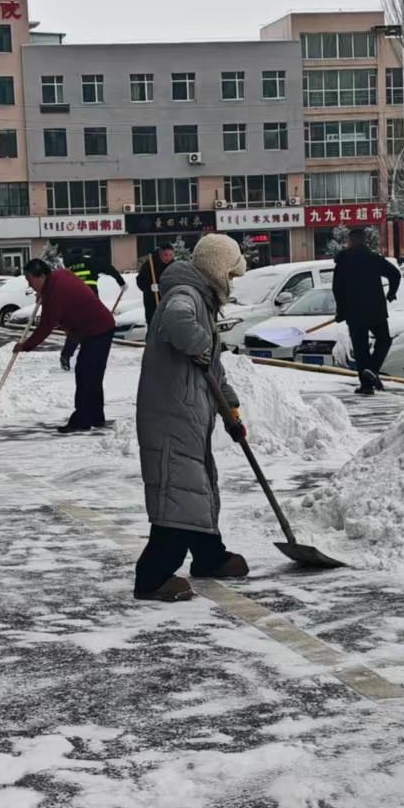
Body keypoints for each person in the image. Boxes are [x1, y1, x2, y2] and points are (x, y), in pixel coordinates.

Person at [132, 233, 253, 601]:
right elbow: (176, 322)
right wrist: (200, 344)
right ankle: (152, 577)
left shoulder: (202, 299)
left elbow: (211, 366)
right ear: (217, 269)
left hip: (186, 412)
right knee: (177, 492)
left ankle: (209, 557)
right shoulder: (185, 295)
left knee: (195, 487)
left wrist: (230, 410)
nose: (232, 283)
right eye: (231, 275)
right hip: (171, 412)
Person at [14, 258, 120, 433]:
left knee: (86, 373)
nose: (30, 285)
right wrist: (44, 294)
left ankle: (82, 420)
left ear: (41, 276)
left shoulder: (55, 292)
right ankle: (95, 417)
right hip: (93, 327)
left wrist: (25, 345)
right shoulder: (59, 275)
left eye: (30, 280)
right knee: (91, 374)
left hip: (97, 329)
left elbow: (45, 326)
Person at [330, 226, 402, 395]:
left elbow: (337, 289)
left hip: (354, 312)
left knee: (360, 349)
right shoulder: (373, 259)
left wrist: (341, 311)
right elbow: (395, 275)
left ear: (350, 242)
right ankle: (373, 369)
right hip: (375, 310)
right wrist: (391, 293)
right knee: (384, 340)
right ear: (364, 241)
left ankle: (366, 385)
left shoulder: (343, 262)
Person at [61, 249, 127, 370]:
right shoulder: (91, 262)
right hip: (89, 299)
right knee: (101, 325)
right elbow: (109, 268)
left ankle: (66, 355)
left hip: (73, 301)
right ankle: (92, 353)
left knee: (77, 329)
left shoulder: (68, 267)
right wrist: (121, 282)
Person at [135, 245, 175, 324]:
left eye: (170, 255)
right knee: (153, 322)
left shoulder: (173, 265)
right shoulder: (150, 264)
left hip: (168, 299)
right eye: (165, 255)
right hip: (152, 300)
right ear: (160, 253)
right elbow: (140, 281)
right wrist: (149, 287)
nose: (168, 258)